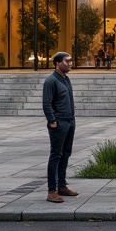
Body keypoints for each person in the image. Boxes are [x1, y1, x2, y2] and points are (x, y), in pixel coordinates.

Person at [42, 51, 78, 202]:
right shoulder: (51, 81)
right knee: (56, 155)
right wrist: (52, 121)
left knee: (66, 154)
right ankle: (52, 191)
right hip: (59, 123)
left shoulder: (66, 79)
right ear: (57, 63)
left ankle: (62, 186)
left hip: (70, 121)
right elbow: (46, 103)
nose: (70, 64)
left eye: (70, 61)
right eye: (66, 61)